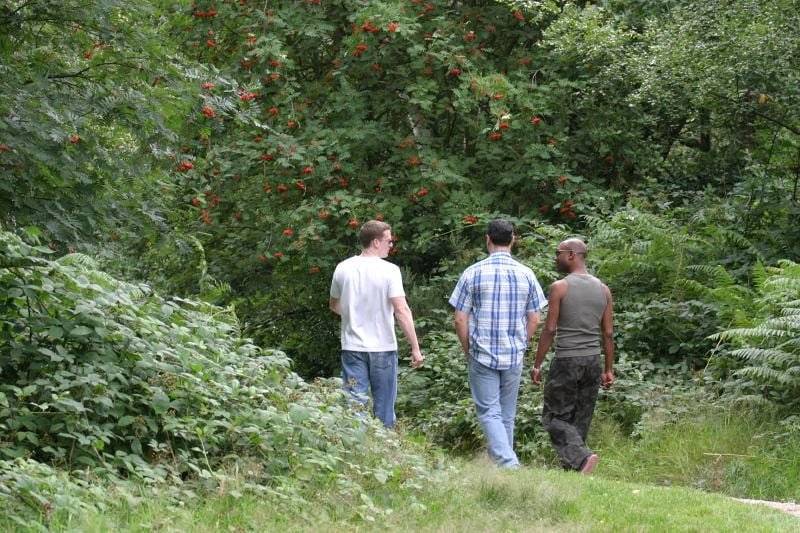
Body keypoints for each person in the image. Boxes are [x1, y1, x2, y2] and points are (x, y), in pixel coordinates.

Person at [449, 219, 546, 467]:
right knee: (506, 415)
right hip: (513, 354)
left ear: (487, 240)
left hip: (481, 353)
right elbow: (535, 318)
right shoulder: (526, 274)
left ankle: (509, 465)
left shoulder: (472, 273)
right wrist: (521, 342)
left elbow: (460, 319)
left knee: (489, 412)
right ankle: (503, 469)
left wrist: (468, 349)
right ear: (513, 240)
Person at [531, 238, 614, 475]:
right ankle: (575, 468)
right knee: (581, 417)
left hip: (567, 360)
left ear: (571, 255)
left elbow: (550, 329)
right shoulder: (604, 290)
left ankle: (582, 457)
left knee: (553, 417)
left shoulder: (560, 287)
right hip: (593, 361)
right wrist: (608, 369)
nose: (556, 257)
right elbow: (608, 333)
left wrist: (537, 364)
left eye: (558, 252)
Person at [330, 220, 424, 428]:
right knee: (384, 409)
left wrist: (355, 316)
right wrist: (415, 348)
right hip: (383, 347)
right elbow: (401, 310)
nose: (391, 245)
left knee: (355, 406)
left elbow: (335, 306)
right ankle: (386, 444)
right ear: (375, 242)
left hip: (352, 347)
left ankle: (358, 444)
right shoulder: (390, 271)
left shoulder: (343, 268)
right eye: (388, 241)